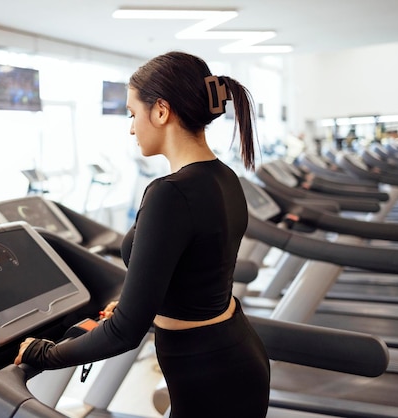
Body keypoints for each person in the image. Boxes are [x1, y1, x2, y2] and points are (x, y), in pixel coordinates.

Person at [14, 51, 270, 417]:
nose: (132, 128)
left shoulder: (170, 193)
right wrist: (145, 302)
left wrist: (45, 353)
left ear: (161, 111)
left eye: (133, 114)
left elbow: (124, 333)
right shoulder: (224, 178)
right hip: (230, 351)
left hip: (208, 373)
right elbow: (198, 268)